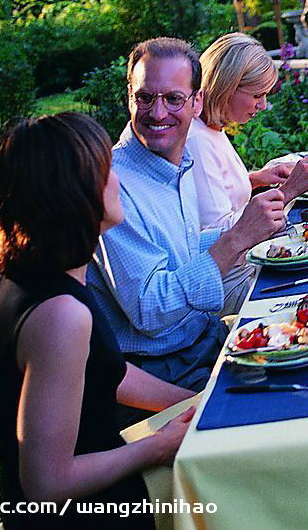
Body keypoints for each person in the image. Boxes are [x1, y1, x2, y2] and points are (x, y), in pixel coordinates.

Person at [0, 113, 196, 529]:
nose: (118, 179)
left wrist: (193, 399)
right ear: (75, 193)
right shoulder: (61, 313)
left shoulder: (23, 266)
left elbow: (102, 372)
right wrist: (158, 446)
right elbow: (46, 484)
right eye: (107, 170)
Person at [87, 37, 286, 391]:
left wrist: (252, 229)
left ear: (196, 102)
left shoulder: (177, 163)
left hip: (203, 339)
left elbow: (180, 249)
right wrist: (238, 237)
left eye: (173, 99)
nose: (158, 113)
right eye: (145, 98)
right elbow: (151, 309)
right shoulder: (113, 185)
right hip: (162, 370)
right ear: (129, 98)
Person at [188, 32, 308, 230]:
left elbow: (220, 194)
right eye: (257, 95)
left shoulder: (211, 128)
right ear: (226, 87)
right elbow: (220, 235)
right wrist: (289, 190)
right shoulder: (196, 141)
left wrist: (255, 179)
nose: (263, 105)